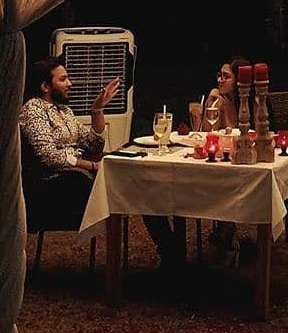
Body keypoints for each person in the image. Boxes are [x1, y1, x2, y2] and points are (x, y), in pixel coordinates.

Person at [19, 58, 181, 269]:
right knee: (136, 187)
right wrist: (92, 166)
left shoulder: (65, 112)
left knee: (142, 184)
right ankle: (171, 255)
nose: (70, 83)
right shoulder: (33, 110)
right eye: (63, 79)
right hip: (56, 182)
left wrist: (97, 110)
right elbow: (48, 156)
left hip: (77, 176)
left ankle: (171, 253)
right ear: (45, 86)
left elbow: (94, 144)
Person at [200, 55, 250, 266]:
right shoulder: (218, 100)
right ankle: (225, 240)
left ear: (238, 81)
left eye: (226, 76)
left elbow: (238, 132)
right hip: (222, 161)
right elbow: (205, 133)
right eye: (219, 75)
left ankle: (224, 240)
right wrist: (212, 103)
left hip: (246, 160)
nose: (220, 80)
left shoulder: (249, 101)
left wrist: (226, 108)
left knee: (232, 186)